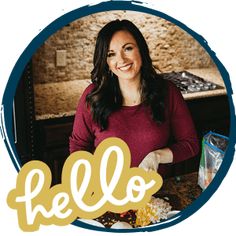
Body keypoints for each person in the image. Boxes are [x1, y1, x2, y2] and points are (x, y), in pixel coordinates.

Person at [69, 19, 199, 178]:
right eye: (111, 54)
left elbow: (190, 144)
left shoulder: (168, 92)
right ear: (106, 61)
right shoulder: (93, 97)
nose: (122, 60)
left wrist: (156, 156)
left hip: (154, 195)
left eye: (128, 48)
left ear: (141, 50)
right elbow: (78, 149)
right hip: (106, 195)